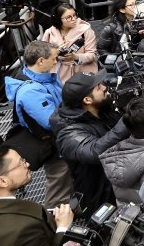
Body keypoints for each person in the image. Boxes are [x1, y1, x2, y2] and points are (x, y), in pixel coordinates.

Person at [50, 71, 130, 215]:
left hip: (120, 181)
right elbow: (93, 151)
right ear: (87, 100)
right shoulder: (68, 132)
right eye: (98, 87)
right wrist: (128, 120)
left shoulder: (102, 108)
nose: (105, 87)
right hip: (98, 195)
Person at [4, 40, 72, 207]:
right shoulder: (31, 91)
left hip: (60, 139)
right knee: (59, 180)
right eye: (54, 58)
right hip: (53, 144)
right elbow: (51, 121)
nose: (57, 61)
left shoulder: (45, 78)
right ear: (41, 60)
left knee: (66, 178)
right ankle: (54, 223)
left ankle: (68, 208)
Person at [0, 146, 73, 246]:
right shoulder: (24, 228)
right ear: (2, 181)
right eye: (21, 163)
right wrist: (63, 228)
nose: (27, 164)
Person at [41, 3, 98, 84]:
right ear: (58, 19)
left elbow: (92, 55)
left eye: (75, 15)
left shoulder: (85, 30)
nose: (74, 19)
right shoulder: (49, 33)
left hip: (82, 74)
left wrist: (76, 57)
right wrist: (56, 52)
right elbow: (44, 55)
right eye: (68, 17)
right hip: (58, 75)